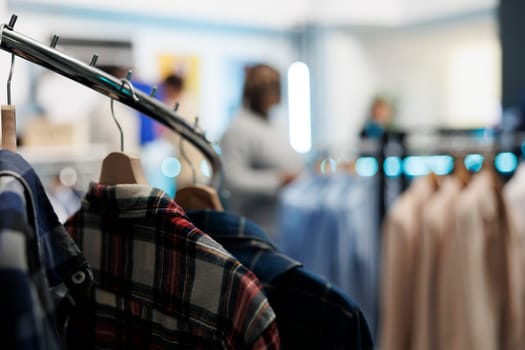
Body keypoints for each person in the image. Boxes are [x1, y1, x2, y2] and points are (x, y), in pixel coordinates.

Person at [220, 63, 303, 237]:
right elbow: (233, 181)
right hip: (254, 231)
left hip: (284, 226)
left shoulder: (274, 125)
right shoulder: (238, 128)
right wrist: (278, 180)